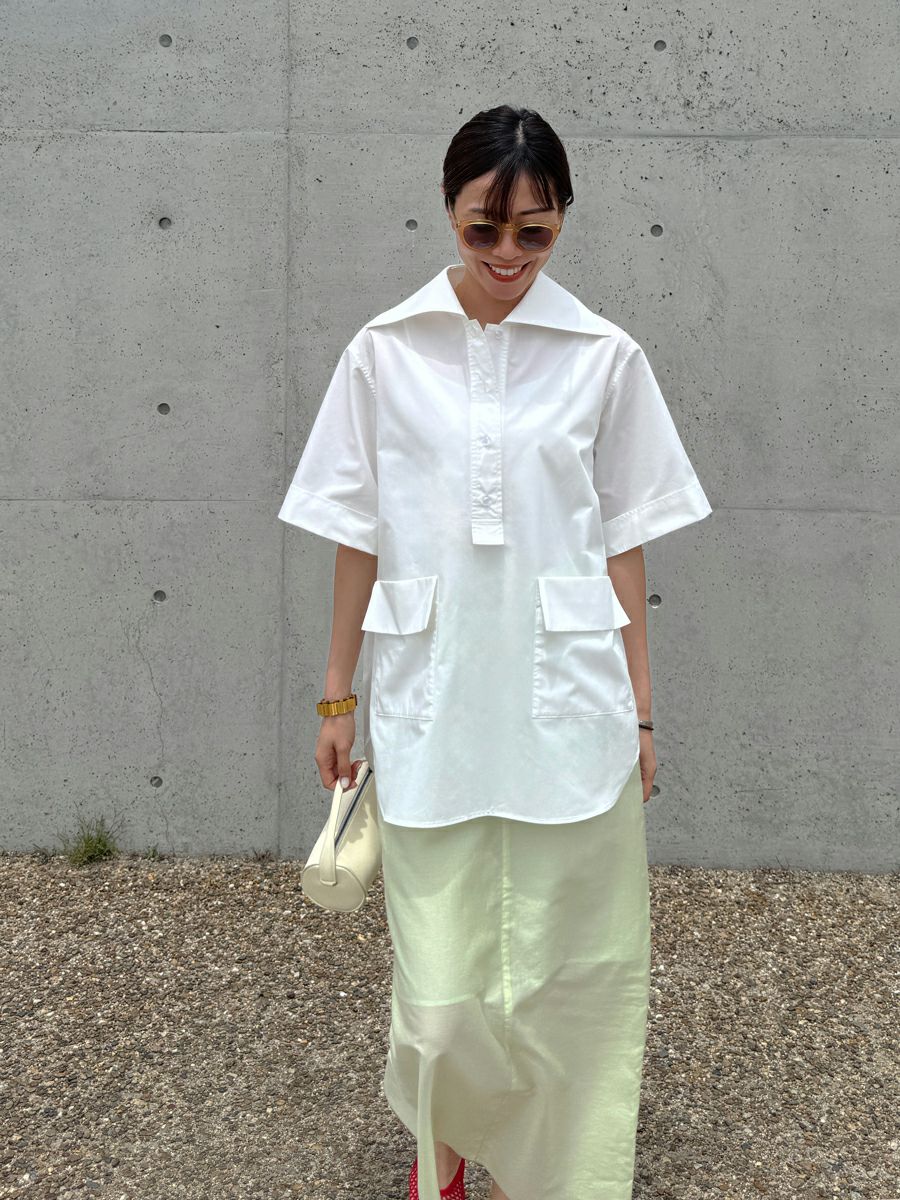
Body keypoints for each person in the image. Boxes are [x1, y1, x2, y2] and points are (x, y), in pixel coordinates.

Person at [278, 105, 712, 1200]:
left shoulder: (604, 356)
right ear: (448, 210)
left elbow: (624, 544)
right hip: (432, 698)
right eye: (485, 229)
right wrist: (336, 698)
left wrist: (642, 711)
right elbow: (356, 531)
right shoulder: (384, 352)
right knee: (438, 984)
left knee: (571, 977)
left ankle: (548, 1167)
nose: (509, 255)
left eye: (536, 232)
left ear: (563, 221)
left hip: (569, 702)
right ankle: (445, 1149)